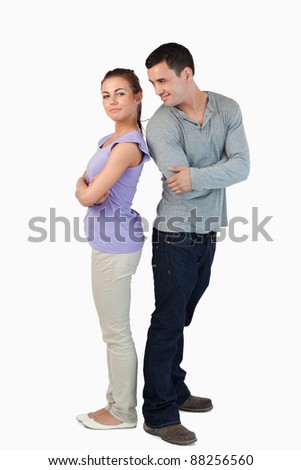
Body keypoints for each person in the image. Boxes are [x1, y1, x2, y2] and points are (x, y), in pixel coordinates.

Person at [142, 43, 250, 445]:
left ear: (187, 73)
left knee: (182, 316)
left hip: (209, 232)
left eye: (163, 80)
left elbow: (243, 166)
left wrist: (199, 175)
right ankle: (158, 412)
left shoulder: (228, 108)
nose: (158, 91)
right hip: (174, 233)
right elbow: (178, 184)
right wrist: (216, 171)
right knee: (168, 321)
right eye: (153, 83)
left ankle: (175, 387)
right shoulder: (160, 124)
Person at [75, 68, 150, 430]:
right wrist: (82, 188)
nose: (112, 101)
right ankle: (114, 404)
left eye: (120, 93)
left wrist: (84, 191)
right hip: (107, 241)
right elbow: (84, 186)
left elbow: (90, 193)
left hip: (116, 246)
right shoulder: (109, 139)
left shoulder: (128, 146)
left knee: (116, 331)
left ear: (138, 96)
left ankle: (123, 412)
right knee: (112, 330)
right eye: (106, 95)